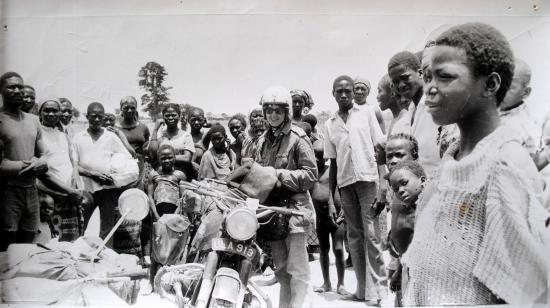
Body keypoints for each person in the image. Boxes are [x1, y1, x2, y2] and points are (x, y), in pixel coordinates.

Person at [402, 22, 550, 305]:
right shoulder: (455, 158)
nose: (430, 89)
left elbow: (528, 293)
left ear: (491, 84)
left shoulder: (503, 167)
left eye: (444, 77)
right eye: (427, 77)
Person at [324, 75, 387, 304]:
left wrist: (384, 184)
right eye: (339, 91)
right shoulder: (329, 124)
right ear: (333, 93)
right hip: (345, 185)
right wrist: (332, 199)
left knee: (372, 236)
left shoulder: (367, 114)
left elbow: (380, 149)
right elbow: (332, 163)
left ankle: (379, 293)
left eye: (348, 91)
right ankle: (361, 290)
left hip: (368, 181)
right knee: (354, 238)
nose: (344, 95)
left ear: (353, 93)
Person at [254, 86, 317, 308]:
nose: (273, 115)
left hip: (295, 210)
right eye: (269, 110)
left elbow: (311, 176)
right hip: (273, 212)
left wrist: (278, 174)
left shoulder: (298, 138)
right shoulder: (262, 140)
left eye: (278, 111)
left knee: (298, 271)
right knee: (281, 270)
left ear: (287, 112)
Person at [72, 102, 137, 250]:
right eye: (93, 116)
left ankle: (105, 259)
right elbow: (74, 166)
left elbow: (127, 158)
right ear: (87, 116)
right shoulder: (78, 138)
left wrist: (116, 176)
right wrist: (92, 174)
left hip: (108, 189)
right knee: (83, 225)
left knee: (107, 227)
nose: (96, 120)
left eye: (99, 117)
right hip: (86, 190)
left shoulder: (111, 137)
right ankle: (81, 257)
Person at [0, 72, 50, 251]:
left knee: (27, 245)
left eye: (20, 87)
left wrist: (42, 162)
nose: (17, 90)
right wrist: (25, 166)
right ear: (1, 90)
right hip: (7, 192)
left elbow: (44, 154)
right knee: (7, 245)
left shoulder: (33, 120)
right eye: (11, 87)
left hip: (31, 191)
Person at [388, 51, 457, 177]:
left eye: (405, 77)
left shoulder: (438, 104)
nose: (401, 85)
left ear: (420, 73)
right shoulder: (409, 115)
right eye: (396, 81)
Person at [36, 98, 85, 241]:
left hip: (70, 196)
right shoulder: (37, 134)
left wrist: (75, 187)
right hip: (50, 196)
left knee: (70, 242)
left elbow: (71, 164)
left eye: (54, 110)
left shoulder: (63, 136)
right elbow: (42, 172)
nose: (51, 114)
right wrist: (66, 191)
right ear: (40, 113)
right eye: (47, 110)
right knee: (51, 241)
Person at [310, 136, 349, 296]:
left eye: (321, 155)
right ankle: (326, 282)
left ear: (326, 156)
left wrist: (344, 210)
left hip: (336, 217)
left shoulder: (332, 171)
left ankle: (340, 284)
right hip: (320, 218)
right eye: (315, 155)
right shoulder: (310, 173)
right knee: (323, 250)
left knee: (338, 248)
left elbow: (345, 191)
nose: (318, 158)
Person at [386, 160, 425, 306]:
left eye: (404, 183)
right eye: (395, 189)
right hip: (409, 269)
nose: (400, 190)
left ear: (422, 181)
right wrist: (399, 270)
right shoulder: (411, 206)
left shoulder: (428, 208)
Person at [149, 103, 195, 180]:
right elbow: (153, 154)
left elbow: (187, 158)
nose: (170, 118)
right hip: (161, 174)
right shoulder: (160, 135)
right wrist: (155, 129)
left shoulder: (186, 136)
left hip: (179, 175)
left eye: (173, 115)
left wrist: (163, 158)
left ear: (179, 116)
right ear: (163, 117)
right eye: (167, 115)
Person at [147, 144, 186, 217]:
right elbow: (150, 196)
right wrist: (156, 215)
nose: (167, 160)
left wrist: (175, 215)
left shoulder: (180, 175)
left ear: (174, 157)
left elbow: (183, 198)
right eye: (163, 158)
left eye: (170, 157)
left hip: (175, 213)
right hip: (158, 213)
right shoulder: (153, 174)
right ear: (159, 159)